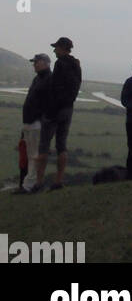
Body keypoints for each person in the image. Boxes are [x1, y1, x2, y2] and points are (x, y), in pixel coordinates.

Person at [34, 37, 82, 191]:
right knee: (62, 146)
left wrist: (50, 109)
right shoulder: (76, 65)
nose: (54, 50)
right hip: (68, 109)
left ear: (63, 48)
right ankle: (58, 181)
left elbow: (54, 88)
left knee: (43, 146)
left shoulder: (60, 64)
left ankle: (39, 182)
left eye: (56, 48)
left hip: (55, 110)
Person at [15, 54, 51, 194]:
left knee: (35, 155)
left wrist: (41, 118)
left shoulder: (48, 79)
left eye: (37, 62)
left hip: (37, 122)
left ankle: (30, 185)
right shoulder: (38, 78)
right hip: (30, 122)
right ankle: (28, 184)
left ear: (46, 63)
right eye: (34, 62)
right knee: (30, 155)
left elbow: (48, 102)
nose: (34, 64)